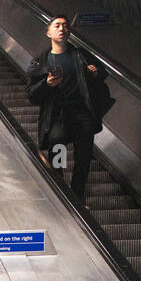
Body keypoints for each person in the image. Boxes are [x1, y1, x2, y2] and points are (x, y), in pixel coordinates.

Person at [26, 14, 112, 203]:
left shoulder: (81, 55)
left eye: (65, 25)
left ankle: (77, 197)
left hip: (83, 114)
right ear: (48, 32)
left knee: (83, 158)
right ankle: (60, 189)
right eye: (57, 25)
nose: (62, 28)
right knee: (57, 148)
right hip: (58, 115)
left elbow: (101, 74)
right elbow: (32, 94)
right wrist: (46, 84)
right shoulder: (41, 61)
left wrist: (96, 73)